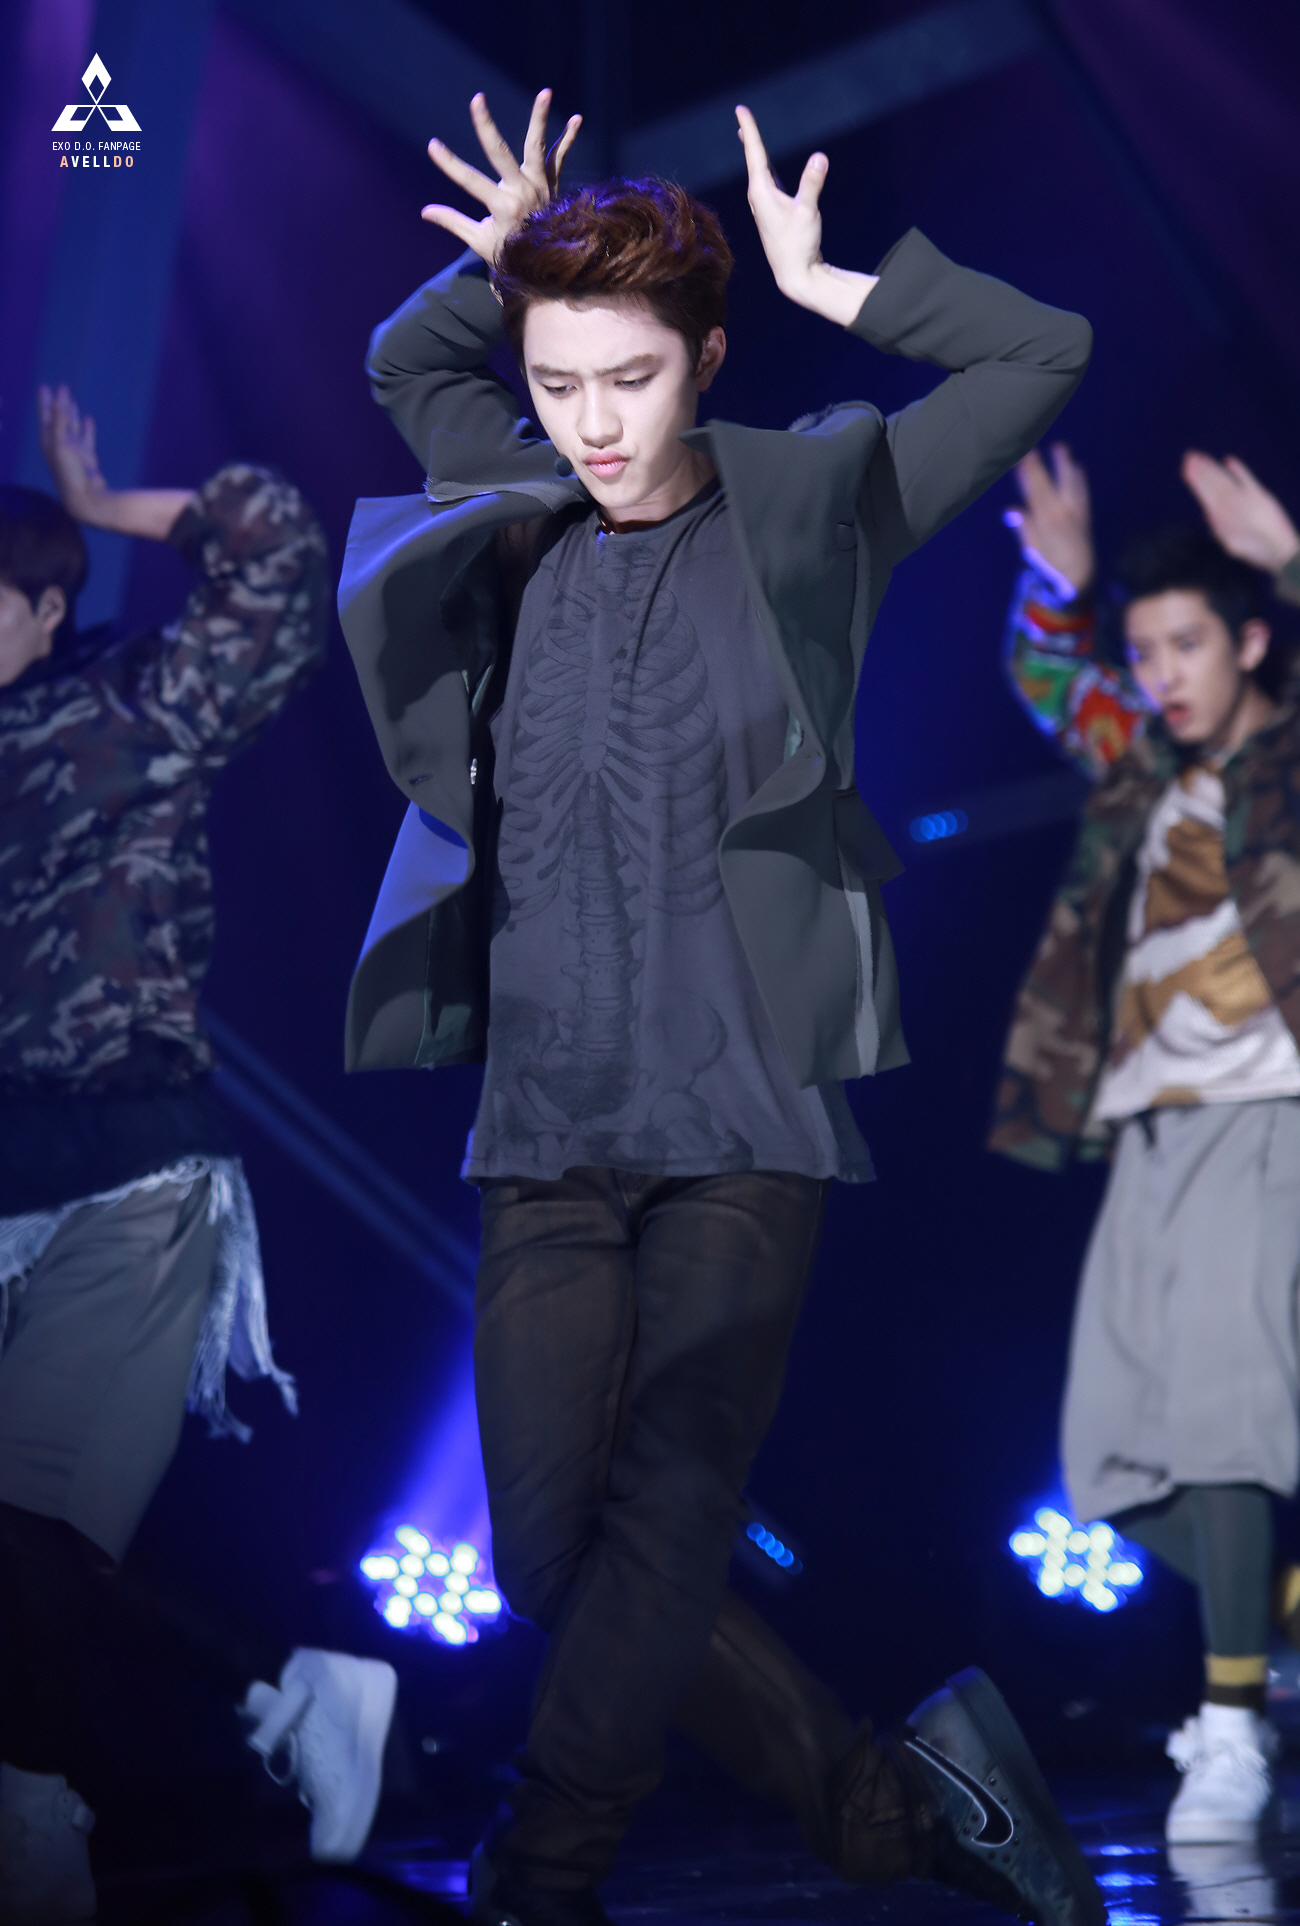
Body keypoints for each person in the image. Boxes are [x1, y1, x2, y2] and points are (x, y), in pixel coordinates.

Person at [340, 87, 1100, 1926]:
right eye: (556, 380)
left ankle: (540, 1875)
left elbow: (1041, 351)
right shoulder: (515, 514)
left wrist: (840, 282)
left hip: (744, 1115)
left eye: (632, 377)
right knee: (557, 1560)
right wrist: (504, 267)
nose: (591, 423)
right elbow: (402, 364)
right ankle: (889, 1799)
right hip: (547, 1126)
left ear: (706, 360)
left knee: (673, 1508)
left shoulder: (812, 508)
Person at [0, 388, 397, 1924]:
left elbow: (276, 554)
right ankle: (287, 1684)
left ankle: (72, 1810)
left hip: (124, 1187)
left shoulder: (128, 709)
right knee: (23, 1567)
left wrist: (104, 510)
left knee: (28, 1540)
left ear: (44, 611)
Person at [992, 438, 1300, 1843]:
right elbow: (1050, 681)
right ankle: (1271, 1615)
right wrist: (1057, 589)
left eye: (1190, 646)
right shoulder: (1141, 768)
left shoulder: (1287, 757)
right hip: (1144, 1133)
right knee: (1108, 1469)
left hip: (1269, 1111)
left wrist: (1289, 560)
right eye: (1148, 651)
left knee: (1231, 1421)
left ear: (1250, 642)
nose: (1165, 675)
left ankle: (1232, 1729)